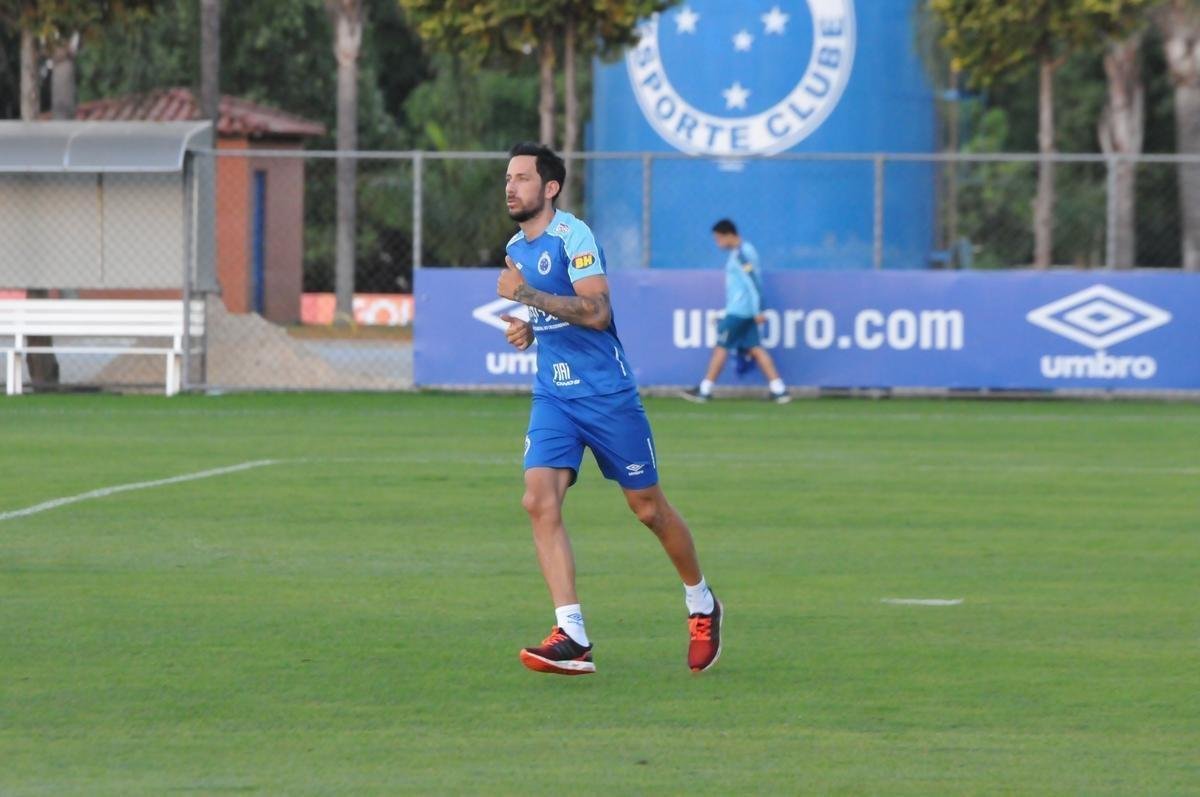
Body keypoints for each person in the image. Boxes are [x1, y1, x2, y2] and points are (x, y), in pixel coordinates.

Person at [495, 142, 722, 676]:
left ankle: (701, 602)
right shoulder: (514, 245)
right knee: (537, 500)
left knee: (648, 509)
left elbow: (597, 313)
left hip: (606, 395)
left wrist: (527, 295)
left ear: (550, 188)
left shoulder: (574, 236)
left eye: (523, 178)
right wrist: (532, 327)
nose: (510, 187)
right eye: (508, 178)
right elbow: (556, 316)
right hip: (554, 394)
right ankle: (572, 634)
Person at [681, 219, 791, 404]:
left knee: (721, 346)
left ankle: (705, 390)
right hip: (743, 310)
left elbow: (753, 282)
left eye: (718, 239)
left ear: (729, 235)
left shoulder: (742, 254)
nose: (718, 243)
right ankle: (779, 390)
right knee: (756, 348)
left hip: (740, 312)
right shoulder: (741, 252)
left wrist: (759, 310)